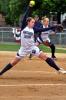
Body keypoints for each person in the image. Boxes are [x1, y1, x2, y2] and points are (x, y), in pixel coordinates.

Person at [0, 17, 66, 76]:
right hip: (23, 49)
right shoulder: (24, 28)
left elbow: (42, 30)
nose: (34, 23)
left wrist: (53, 27)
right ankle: (1, 73)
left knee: (45, 57)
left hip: (32, 47)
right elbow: (24, 17)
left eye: (34, 22)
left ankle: (58, 69)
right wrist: (29, 7)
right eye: (32, 22)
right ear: (28, 22)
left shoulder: (34, 29)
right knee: (13, 62)